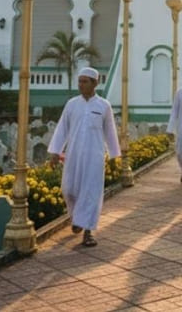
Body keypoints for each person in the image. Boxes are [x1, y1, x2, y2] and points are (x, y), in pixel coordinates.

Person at [48, 67, 120, 247]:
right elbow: (62, 128)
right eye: (79, 81)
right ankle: (77, 218)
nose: (80, 85)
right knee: (69, 188)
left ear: (95, 83)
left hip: (94, 156)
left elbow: (110, 132)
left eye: (84, 81)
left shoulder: (104, 106)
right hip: (73, 155)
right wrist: (55, 151)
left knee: (90, 193)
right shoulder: (72, 104)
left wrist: (114, 155)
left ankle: (88, 231)